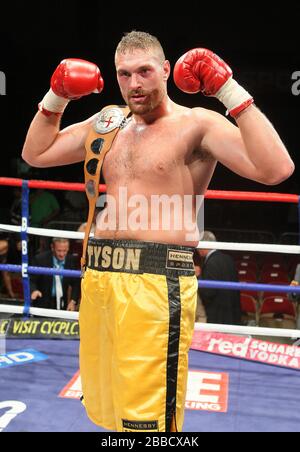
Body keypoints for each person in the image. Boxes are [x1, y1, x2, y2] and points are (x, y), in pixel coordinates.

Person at [21, 31, 294, 432]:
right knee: (106, 407)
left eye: (145, 71)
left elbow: (276, 170)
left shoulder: (196, 124)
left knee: (147, 422)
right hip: (98, 282)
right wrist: (56, 96)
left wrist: (227, 89)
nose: (135, 84)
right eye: (125, 74)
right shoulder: (107, 123)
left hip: (155, 284)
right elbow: (36, 153)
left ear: (166, 70)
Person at [197, 231, 242, 325]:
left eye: (198, 245)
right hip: (232, 313)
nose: (197, 249)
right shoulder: (228, 258)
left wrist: (198, 276)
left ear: (205, 245)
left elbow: (208, 292)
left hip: (218, 315)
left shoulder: (211, 262)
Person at [30, 238, 80, 311]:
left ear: (68, 248)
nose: (62, 254)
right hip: (42, 302)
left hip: (62, 303)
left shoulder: (71, 260)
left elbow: (76, 283)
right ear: (52, 248)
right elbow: (31, 279)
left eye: (64, 251)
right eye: (59, 250)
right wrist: (34, 290)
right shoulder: (40, 259)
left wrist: (73, 301)